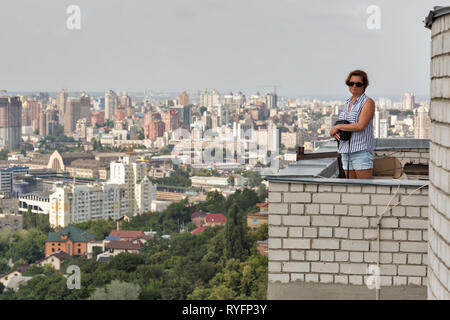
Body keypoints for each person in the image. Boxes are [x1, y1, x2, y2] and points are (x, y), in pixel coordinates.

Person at [329, 70, 375, 179]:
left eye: (358, 84)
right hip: (345, 151)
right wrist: (336, 132)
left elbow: (360, 126)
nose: (354, 86)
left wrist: (337, 127)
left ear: (364, 85)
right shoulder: (347, 103)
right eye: (351, 83)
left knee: (364, 189)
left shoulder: (368, 102)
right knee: (352, 189)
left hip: (361, 151)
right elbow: (345, 124)